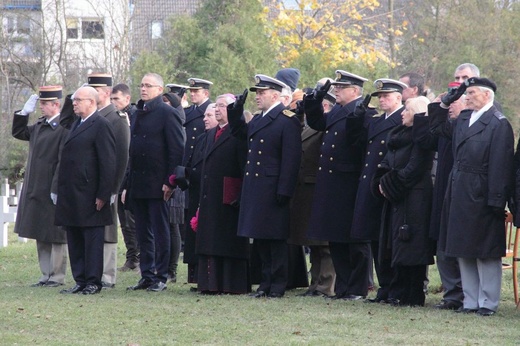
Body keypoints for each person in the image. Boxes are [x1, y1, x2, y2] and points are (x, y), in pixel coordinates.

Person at [434, 77, 514, 316]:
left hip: (481, 192)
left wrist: (496, 200)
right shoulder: (465, 119)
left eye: (472, 93)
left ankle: (487, 302)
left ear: (487, 96)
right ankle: (470, 301)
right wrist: (443, 104)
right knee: (462, 249)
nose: (466, 97)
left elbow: (501, 165)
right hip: (459, 190)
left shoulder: (499, 124)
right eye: (465, 93)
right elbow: (437, 128)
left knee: (485, 251)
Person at [304, 70, 376, 300]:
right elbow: (316, 122)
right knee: (335, 239)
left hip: (350, 183)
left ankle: (357, 289)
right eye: (335, 87)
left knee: (355, 241)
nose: (336, 90)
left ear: (355, 91)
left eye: (341, 87)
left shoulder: (363, 112)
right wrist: (316, 97)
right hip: (331, 183)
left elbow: (359, 143)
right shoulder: (336, 111)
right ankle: (343, 287)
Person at [228, 74, 302, 298]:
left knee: (275, 240)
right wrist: (235, 111)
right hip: (256, 187)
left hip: (273, 188)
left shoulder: (287, 120)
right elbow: (240, 134)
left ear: (275, 95)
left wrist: (284, 190)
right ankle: (265, 283)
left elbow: (291, 160)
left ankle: (278, 285)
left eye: (261, 93)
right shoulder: (259, 119)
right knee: (260, 238)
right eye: (257, 93)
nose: (257, 97)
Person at [124, 73, 185, 292]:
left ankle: (161, 275)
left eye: (148, 85)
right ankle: (147, 274)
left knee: (160, 231)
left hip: (159, 184)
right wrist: (127, 184)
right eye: (141, 85)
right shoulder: (139, 112)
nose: (143, 89)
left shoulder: (168, 113)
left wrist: (170, 181)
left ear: (160, 90)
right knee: (142, 232)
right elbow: (133, 151)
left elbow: (177, 150)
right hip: (139, 183)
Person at [348, 78, 407, 304]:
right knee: (373, 238)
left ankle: (392, 288)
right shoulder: (375, 120)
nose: (382, 100)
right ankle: (384, 288)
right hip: (371, 183)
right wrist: (356, 117)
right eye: (379, 96)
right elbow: (357, 142)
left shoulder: (401, 119)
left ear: (398, 98)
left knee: (387, 242)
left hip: (387, 186)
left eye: (386, 96)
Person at [372, 96, 435, 307]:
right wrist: (381, 182)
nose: (402, 113)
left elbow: (414, 168)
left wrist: (391, 184)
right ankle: (394, 290)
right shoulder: (397, 135)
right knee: (393, 244)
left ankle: (412, 294)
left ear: (417, 114)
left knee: (412, 245)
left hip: (415, 198)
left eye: (407, 110)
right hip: (395, 198)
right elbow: (386, 163)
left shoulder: (421, 138)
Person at [55, 86, 116, 295]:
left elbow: (108, 163)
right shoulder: (76, 124)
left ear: (91, 102)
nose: (74, 103)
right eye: (73, 100)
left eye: (78, 100)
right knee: (75, 237)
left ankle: (92, 281)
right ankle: (80, 279)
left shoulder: (101, 125)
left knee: (92, 240)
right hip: (72, 192)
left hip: (90, 193)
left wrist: (103, 194)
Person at [412, 81, 466, 310]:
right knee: (442, 245)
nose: (450, 105)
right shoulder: (447, 125)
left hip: (463, 194)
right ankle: (452, 293)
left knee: (458, 245)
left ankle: (463, 294)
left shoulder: (466, 125)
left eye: (455, 100)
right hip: (443, 190)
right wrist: (435, 108)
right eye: (448, 101)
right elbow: (424, 139)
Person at [12, 86, 69, 288]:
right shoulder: (39, 125)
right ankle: (45, 274)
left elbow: (63, 161)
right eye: (41, 104)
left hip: (52, 186)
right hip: (36, 185)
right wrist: (22, 114)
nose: (41, 107)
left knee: (56, 235)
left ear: (56, 105)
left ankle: (57, 275)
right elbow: (19, 132)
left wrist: (56, 188)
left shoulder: (63, 127)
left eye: (44, 104)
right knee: (40, 231)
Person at [195, 94, 250, 294]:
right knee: (210, 239)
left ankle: (229, 284)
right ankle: (210, 283)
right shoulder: (211, 133)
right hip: (211, 193)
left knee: (227, 241)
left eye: (222, 106)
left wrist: (241, 194)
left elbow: (245, 164)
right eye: (216, 106)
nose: (217, 109)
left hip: (230, 195)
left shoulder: (238, 132)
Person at [290, 78, 336, 297]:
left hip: (317, 186)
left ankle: (326, 285)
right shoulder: (309, 124)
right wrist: (299, 115)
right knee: (312, 241)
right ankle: (314, 282)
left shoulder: (327, 124)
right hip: (306, 189)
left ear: (325, 106)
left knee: (323, 242)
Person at [87, 73, 130, 289]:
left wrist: (114, 188)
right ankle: (93, 272)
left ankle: (107, 274)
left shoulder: (116, 118)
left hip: (109, 184)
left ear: (106, 93)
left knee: (108, 230)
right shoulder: (91, 117)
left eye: (95, 90)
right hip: (90, 183)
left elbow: (122, 156)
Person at [183, 103, 218, 287]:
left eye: (209, 115)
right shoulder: (201, 138)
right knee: (192, 236)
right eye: (204, 115)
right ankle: (194, 275)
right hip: (195, 191)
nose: (205, 119)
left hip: (209, 194)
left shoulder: (217, 139)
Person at [110, 83, 139, 272]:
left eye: (117, 99)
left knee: (132, 220)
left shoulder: (133, 116)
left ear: (127, 99)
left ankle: (139, 257)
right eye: (111, 99)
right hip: (118, 174)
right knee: (124, 221)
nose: (113, 103)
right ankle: (131, 258)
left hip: (131, 174)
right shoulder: (113, 118)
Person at [163, 92, 187, 283]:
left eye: (166, 102)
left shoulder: (177, 120)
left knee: (173, 225)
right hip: (165, 180)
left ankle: (172, 269)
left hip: (176, 181)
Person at [183, 78, 213, 164]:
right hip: (186, 158)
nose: (192, 94)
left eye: (196, 92)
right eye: (191, 91)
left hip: (199, 159)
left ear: (206, 93)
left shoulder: (211, 111)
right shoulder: (188, 110)